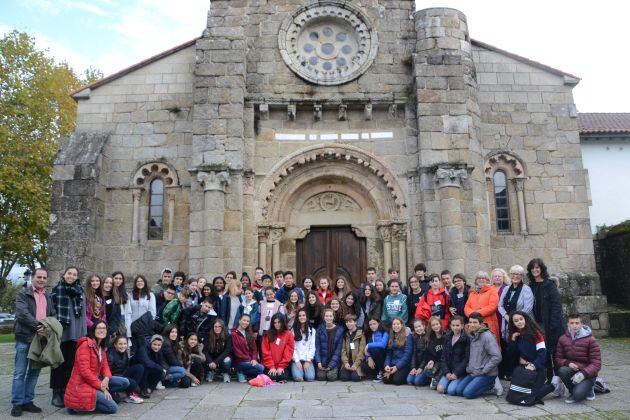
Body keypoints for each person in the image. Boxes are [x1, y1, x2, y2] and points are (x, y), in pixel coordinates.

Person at [11, 267, 56, 417]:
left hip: (41, 339)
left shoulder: (48, 297)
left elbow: (53, 315)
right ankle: (17, 403)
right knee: (19, 373)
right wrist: (38, 326)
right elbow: (22, 314)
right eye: (39, 277)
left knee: (34, 372)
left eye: (44, 278)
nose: (41, 280)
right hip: (25, 337)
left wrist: (47, 328)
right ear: (33, 278)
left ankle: (28, 401)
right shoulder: (23, 294)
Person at [64, 321, 133, 414]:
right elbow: (85, 372)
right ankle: (78, 406)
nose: (102, 330)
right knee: (113, 408)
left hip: (95, 381)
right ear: (93, 330)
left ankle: (99, 397)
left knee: (125, 382)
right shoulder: (85, 345)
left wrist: (106, 378)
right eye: (99, 328)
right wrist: (102, 387)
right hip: (82, 384)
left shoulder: (101, 347)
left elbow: (105, 367)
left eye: (104, 328)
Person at [51, 266, 87, 408]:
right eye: (69, 273)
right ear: (64, 274)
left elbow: (83, 313)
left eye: (74, 274)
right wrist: (56, 326)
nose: (71, 276)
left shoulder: (80, 291)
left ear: (77, 277)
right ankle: (56, 392)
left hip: (75, 333)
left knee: (70, 364)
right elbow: (52, 310)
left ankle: (65, 390)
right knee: (57, 364)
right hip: (61, 332)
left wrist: (83, 333)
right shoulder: (56, 289)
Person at [506, 311, 555, 404]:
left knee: (530, 395)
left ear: (525, 319)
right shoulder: (515, 335)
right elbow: (511, 355)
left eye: (521, 319)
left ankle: (551, 386)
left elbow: (542, 354)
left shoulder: (536, 334)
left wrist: (533, 365)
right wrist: (512, 340)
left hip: (538, 367)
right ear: (513, 323)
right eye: (516, 321)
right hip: (524, 368)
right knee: (516, 394)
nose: (519, 322)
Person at [527, 258, 564, 380]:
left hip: (549, 324)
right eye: (532, 268)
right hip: (536, 324)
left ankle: (558, 378)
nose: (535, 270)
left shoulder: (549, 284)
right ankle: (547, 377)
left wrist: (553, 325)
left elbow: (556, 305)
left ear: (542, 269)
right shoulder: (530, 286)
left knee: (554, 351)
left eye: (537, 267)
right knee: (543, 351)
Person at [555, 314, 602, 404]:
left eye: (577, 323)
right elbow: (558, 358)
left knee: (578, 396)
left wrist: (583, 373)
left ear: (581, 324)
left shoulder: (591, 340)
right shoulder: (562, 339)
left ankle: (590, 388)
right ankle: (573, 390)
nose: (574, 325)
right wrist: (568, 363)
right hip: (572, 370)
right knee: (562, 370)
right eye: (572, 323)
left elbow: (596, 363)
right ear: (568, 324)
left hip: (588, 374)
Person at [498, 265, 534, 379]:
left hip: (521, 324)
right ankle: (511, 372)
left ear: (522, 276)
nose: (515, 276)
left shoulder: (526, 289)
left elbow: (528, 308)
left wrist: (515, 319)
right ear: (509, 275)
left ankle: (522, 373)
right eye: (513, 274)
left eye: (518, 274)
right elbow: (500, 306)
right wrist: (506, 316)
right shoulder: (505, 289)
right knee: (511, 347)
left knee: (521, 347)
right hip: (508, 323)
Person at [455, 312, 502, 399]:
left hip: (486, 373)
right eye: (470, 322)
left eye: (475, 322)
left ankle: (491, 384)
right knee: (459, 391)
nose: (472, 325)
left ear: (481, 323)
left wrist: (484, 370)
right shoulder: (471, 335)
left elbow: (497, 357)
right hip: (473, 372)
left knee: (468, 393)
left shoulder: (487, 336)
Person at [464, 271, 500, 346]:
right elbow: (467, 307)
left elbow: (492, 306)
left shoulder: (492, 291)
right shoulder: (472, 293)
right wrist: (473, 315)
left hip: (488, 323)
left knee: (490, 346)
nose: (481, 280)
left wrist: (477, 314)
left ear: (487, 280)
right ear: (476, 280)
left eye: (483, 278)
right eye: (479, 278)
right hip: (474, 324)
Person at [437, 316, 470, 395]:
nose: (455, 328)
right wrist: (447, 372)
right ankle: (447, 382)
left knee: (451, 391)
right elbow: (443, 357)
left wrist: (456, 373)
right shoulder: (447, 337)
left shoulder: (466, 339)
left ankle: (460, 382)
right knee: (440, 389)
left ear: (462, 326)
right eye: (453, 325)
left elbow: (466, 359)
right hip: (448, 371)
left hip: (459, 372)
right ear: (450, 326)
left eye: (457, 325)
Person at [107, 336, 146, 402]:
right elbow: (108, 371)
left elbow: (126, 366)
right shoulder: (110, 354)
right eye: (120, 344)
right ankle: (128, 392)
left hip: (122, 373)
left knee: (140, 367)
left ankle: (130, 394)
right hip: (114, 377)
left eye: (125, 344)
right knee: (133, 383)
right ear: (115, 345)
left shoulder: (124, 352)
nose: (123, 346)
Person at [261, 313, 295, 382]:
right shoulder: (267, 334)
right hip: (270, 364)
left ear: (283, 322)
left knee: (282, 377)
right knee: (272, 377)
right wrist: (271, 366)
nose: (277, 324)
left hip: (282, 365)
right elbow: (265, 352)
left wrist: (281, 366)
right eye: (275, 322)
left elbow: (288, 352)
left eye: (279, 322)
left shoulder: (288, 334)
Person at [231, 314, 264, 382]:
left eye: (247, 321)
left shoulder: (249, 333)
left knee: (262, 369)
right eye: (244, 320)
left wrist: (254, 359)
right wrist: (250, 360)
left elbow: (254, 349)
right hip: (239, 362)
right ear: (239, 321)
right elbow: (237, 352)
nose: (245, 322)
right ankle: (239, 371)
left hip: (249, 361)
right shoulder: (234, 334)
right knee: (261, 368)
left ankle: (241, 372)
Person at [126, 275, 157, 347]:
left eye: (141, 281)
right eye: (138, 281)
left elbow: (152, 313)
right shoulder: (130, 295)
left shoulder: (150, 295)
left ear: (145, 283)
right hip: (133, 326)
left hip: (145, 327)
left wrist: (146, 325)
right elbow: (129, 312)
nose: (140, 283)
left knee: (144, 348)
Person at [314, 308, 344, 381]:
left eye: (330, 316)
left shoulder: (340, 330)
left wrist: (331, 365)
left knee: (331, 377)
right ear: (324, 317)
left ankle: (335, 369)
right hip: (323, 360)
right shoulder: (320, 329)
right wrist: (318, 362)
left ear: (333, 317)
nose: (328, 318)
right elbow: (317, 347)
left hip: (334, 361)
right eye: (326, 316)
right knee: (321, 377)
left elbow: (338, 350)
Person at [415, 316, 445, 389]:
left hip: (445, 363)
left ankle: (438, 378)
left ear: (440, 324)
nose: (435, 326)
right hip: (436, 362)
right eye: (433, 325)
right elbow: (428, 353)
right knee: (425, 373)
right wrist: (431, 360)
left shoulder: (446, 336)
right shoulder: (430, 337)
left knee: (434, 387)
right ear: (430, 327)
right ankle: (433, 377)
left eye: (437, 324)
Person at [383, 317, 413, 386]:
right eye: (394, 324)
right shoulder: (392, 336)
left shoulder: (408, 336)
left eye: (398, 324)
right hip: (393, 362)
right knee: (385, 380)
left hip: (404, 364)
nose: (395, 326)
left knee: (397, 381)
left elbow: (407, 355)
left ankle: (404, 375)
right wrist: (387, 365)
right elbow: (389, 353)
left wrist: (397, 367)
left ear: (402, 325)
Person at [339, 314, 367, 382]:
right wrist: (345, 362)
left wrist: (356, 364)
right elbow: (343, 350)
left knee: (355, 378)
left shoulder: (361, 334)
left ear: (355, 322)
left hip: (357, 362)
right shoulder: (346, 334)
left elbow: (362, 351)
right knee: (344, 378)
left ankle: (358, 373)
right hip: (348, 362)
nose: (348, 324)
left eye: (350, 322)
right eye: (347, 322)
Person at [291, 309, 316, 382]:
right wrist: (297, 361)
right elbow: (292, 348)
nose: (302, 317)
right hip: (297, 359)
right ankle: (296, 371)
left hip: (307, 359)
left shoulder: (312, 330)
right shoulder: (293, 330)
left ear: (307, 317)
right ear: (297, 318)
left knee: (310, 377)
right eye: (300, 316)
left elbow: (312, 347)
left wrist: (308, 361)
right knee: (298, 377)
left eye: (303, 315)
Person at [406, 319, 427, 386]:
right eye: (416, 327)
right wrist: (413, 367)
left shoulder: (428, 337)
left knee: (417, 382)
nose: (418, 329)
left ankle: (428, 379)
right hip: (417, 365)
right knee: (409, 380)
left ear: (424, 326)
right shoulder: (415, 337)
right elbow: (413, 354)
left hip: (424, 366)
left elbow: (427, 356)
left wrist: (421, 368)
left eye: (419, 326)